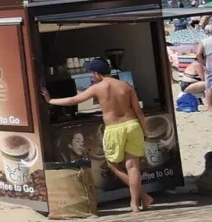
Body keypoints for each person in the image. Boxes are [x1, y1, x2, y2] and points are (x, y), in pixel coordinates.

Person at [47, 58, 152, 212]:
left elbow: (74, 99)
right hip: (132, 125)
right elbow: (139, 111)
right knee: (133, 166)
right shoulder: (126, 86)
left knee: (112, 164)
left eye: (92, 72)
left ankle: (142, 197)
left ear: (97, 73)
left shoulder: (98, 88)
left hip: (114, 128)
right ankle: (136, 203)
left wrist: (51, 100)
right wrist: (145, 131)